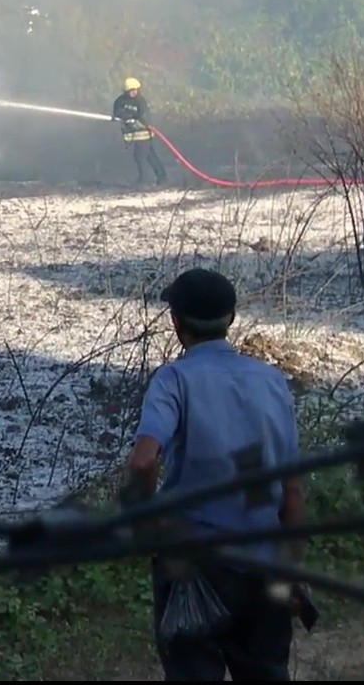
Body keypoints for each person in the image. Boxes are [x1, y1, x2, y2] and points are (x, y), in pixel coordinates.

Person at [125, 267, 309, 681]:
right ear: (231, 319)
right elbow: (292, 489)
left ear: (175, 323)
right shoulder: (271, 381)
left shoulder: (173, 380)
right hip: (263, 562)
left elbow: (142, 460)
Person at [113, 77, 169, 187]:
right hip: (132, 134)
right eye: (131, 90)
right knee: (150, 156)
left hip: (143, 132)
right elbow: (117, 112)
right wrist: (125, 116)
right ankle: (162, 177)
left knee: (140, 157)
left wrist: (148, 125)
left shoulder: (140, 101)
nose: (134, 92)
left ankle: (144, 180)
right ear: (126, 91)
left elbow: (144, 115)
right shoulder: (120, 101)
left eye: (136, 90)